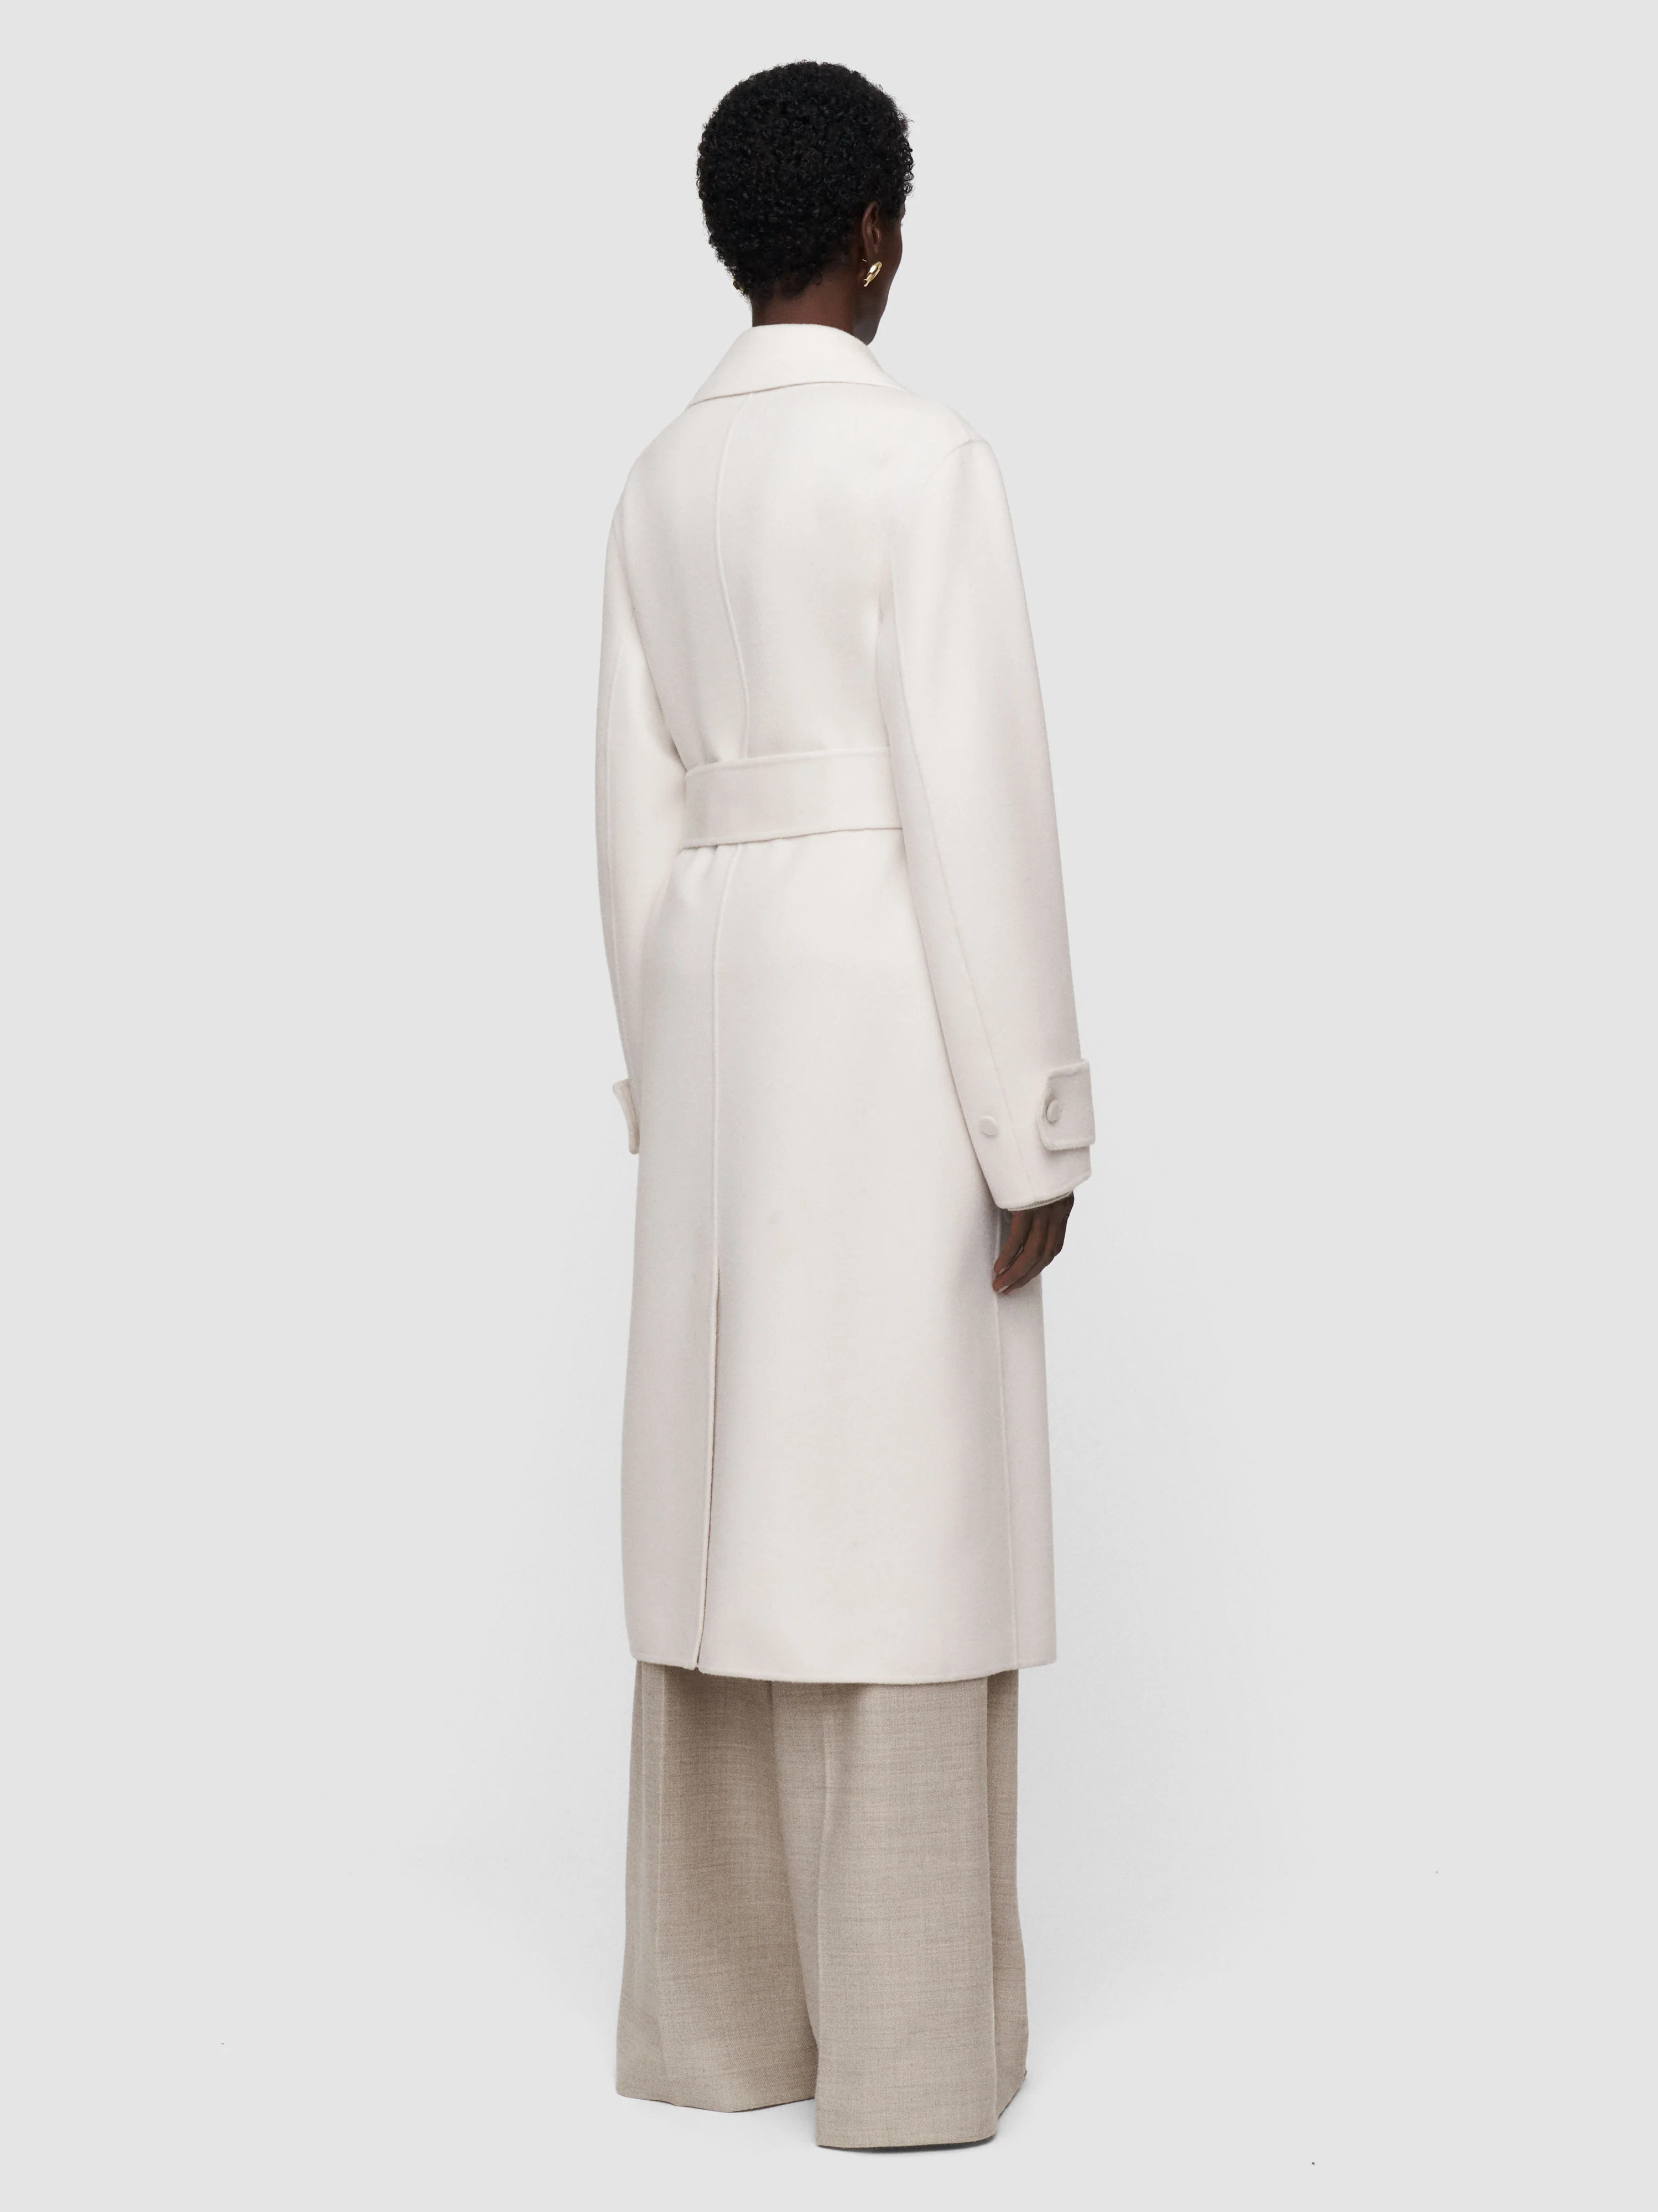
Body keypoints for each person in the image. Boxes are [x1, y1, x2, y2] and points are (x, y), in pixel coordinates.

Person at [595, 60, 1092, 2151]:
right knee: (900, 1498)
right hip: (889, 1007)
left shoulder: (659, 481)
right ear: (875, 229)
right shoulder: (922, 460)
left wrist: (665, 1073)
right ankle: (903, 2051)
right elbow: (978, 799)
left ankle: (721, 2028)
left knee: (731, 1502)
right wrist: (1033, 1122)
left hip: (716, 998)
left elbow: (629, 816)